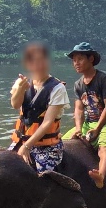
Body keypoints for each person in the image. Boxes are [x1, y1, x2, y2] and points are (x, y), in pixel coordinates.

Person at [63, 42, 106, 188]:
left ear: (91, 59)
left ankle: (101, 176)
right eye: (74, 60)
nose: (76, 63)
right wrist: (78, 128)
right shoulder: (78, 84)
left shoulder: (103, 79)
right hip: (88, 123)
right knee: (62, 142)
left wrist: (98, 129)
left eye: (80, 59)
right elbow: (79, 110)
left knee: (104, 148)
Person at [8, 42, 69, 173]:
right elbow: (15, 105)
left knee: (42, 180)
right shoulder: (22, 82)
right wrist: (20, 90)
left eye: (43, 60)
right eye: (35, 61)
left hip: (47, 147)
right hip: (22, 141)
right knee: (2, 168)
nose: (40, 65)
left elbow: (47, 122)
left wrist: (27, 146)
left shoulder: (58, 88)